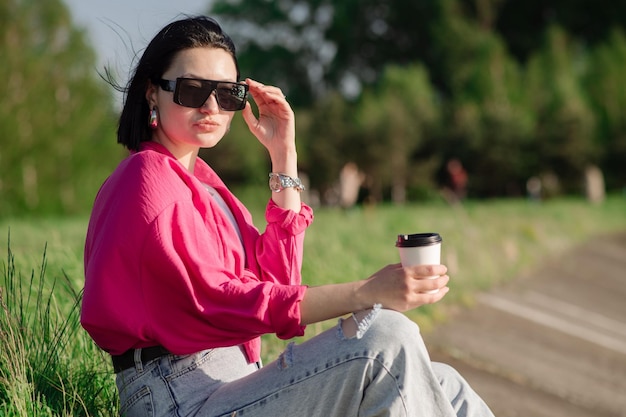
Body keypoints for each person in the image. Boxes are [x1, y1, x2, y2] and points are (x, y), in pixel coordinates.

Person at [81, 15, 495, 417]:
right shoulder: (146, 178)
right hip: (180, 397)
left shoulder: (204, 185)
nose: (211, 106)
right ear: (153, 92)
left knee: (445, 385)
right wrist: (367, 291)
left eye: (227, 94)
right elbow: (221, 301)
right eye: (192, 90)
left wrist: (284, 155)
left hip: (234, 382)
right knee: (388, 339)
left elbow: (277, 284)